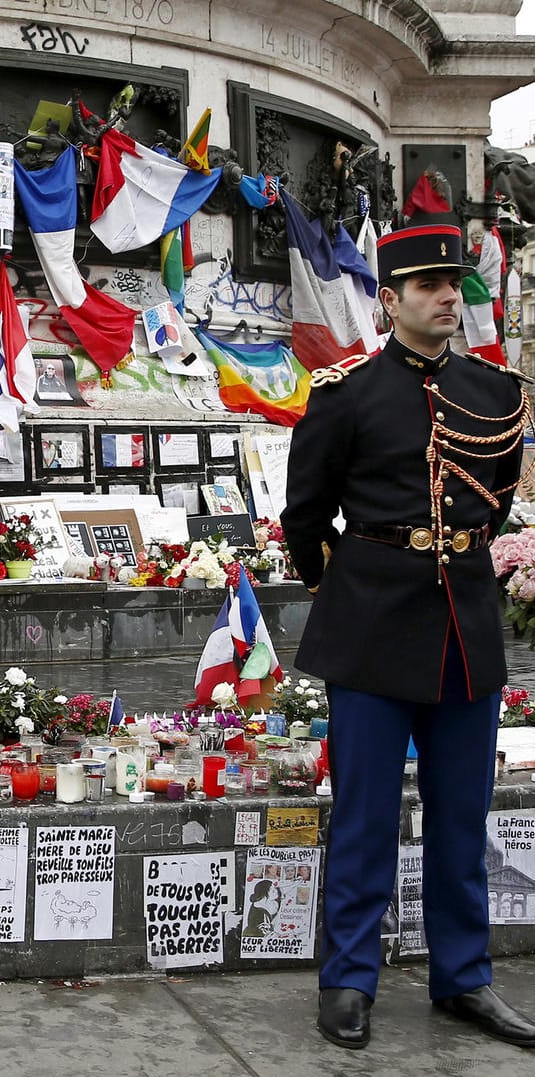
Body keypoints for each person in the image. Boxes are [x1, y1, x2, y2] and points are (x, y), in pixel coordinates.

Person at [284, 224, 535, 1051]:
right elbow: (305, 514)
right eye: (424, 285)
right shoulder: (344, 392)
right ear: (387, 299)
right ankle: (348, 978)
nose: (443, 297)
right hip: (368, 627)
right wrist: (347, 587)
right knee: (362, 815)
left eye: (452, 284)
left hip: (464, 626)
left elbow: (491, 499)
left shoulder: (495, 391)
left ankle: (463, 976)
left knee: (462, 815)